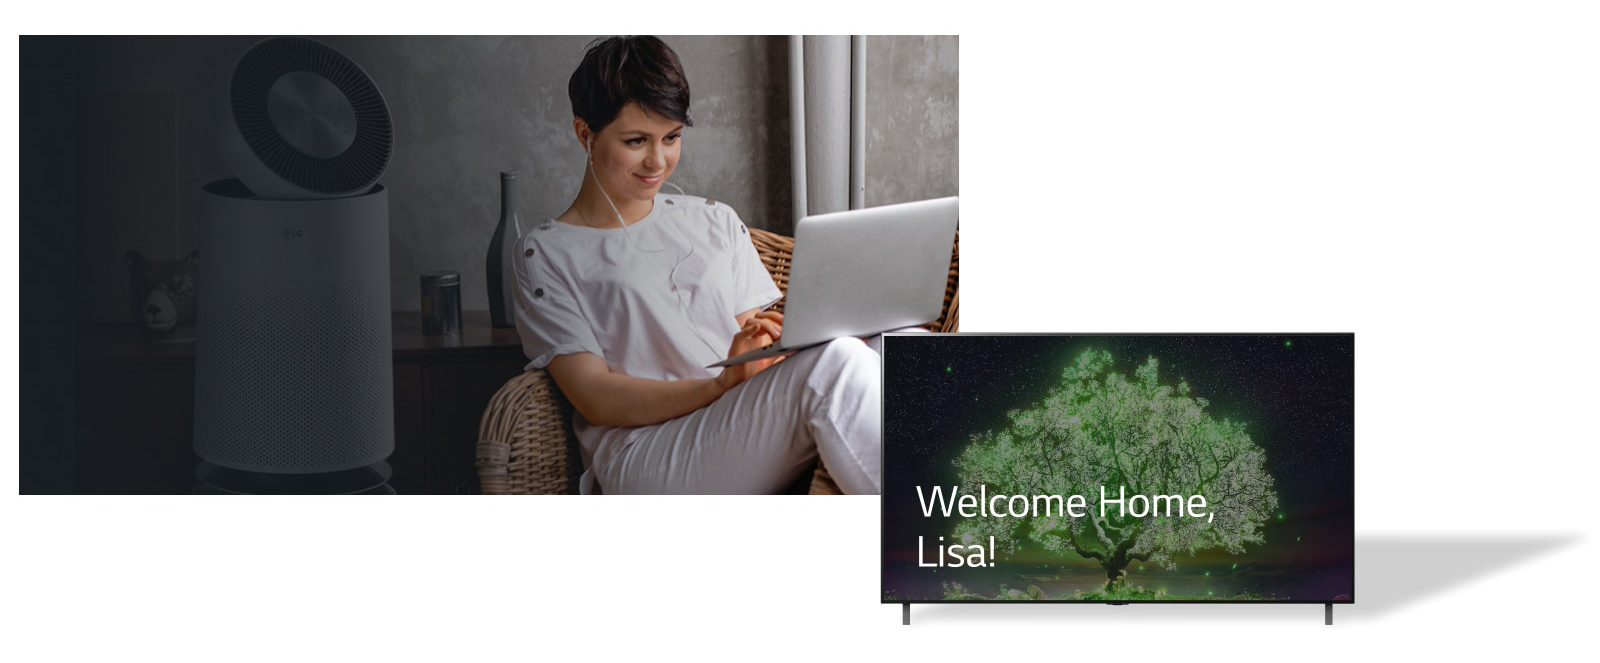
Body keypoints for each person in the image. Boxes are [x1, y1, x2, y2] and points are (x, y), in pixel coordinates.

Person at [512, 36, 884, 495]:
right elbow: (594, 395)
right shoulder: (547, 254)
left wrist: (781, 347)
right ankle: (949, 541)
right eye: (636, 141)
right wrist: (717, 386)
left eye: (671, 138)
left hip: (735, 422)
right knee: (841, 366)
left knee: (900, 346)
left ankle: (974, 517)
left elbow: (758, 339)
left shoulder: (714, 219)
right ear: (585, 133)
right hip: (648, 452)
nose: (658, 160)